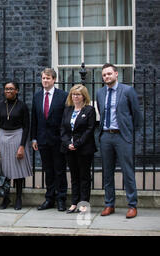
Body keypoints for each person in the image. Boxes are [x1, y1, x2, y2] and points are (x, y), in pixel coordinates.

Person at [97, 63, 142, 219]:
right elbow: (101, 113)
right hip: (106, 137)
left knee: (127, 171)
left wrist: (129, 133)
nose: (107, 77)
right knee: (107, 173)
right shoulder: (100, 93)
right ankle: (109, 204)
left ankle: (132, 205)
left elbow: (136, 114)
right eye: (104, 75)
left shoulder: (128, 91)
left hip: (122, 136)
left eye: (109, 74)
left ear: (116, 74)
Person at [31, 68, 68, 211]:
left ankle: (61, 198)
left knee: (59, 170)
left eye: (48, 78)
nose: (45, 81)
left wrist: (64, 138)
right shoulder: (37, 96)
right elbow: (34, 118)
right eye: (43, 78)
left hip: (58, 140)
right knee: (48, 170)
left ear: (54, 80)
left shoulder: (63, 96)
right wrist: (34, 138)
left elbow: (65, 119)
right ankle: (49, 198)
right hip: (42, 139)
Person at [0, 81, 32, 210]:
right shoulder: (0, 106)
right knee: (4, 170)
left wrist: (22, 146)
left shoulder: (22, 106)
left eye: (11, 89)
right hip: (3, 137)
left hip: (18, 136)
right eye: (6, 89)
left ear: (17, 91)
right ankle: (6, 197)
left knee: (18, 169)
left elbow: (27, 127)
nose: (8, 91)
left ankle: (19, 197)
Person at [60, 84, 97, 214]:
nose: (75, 96)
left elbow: (90, 129)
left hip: (84, 149)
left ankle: (83, 204)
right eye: (73, 94)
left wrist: (77, 143)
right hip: (69, 149)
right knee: (74, 177)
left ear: (84, 96)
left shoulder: (89, 110)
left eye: (78, 94)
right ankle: (74, 202)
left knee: (84, 177)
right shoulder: (68, 110)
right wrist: (66, 143)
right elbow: (63, 129)